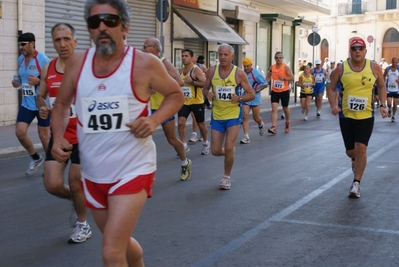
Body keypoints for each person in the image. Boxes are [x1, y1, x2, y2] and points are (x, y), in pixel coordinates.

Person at [50, 1, 184, 266]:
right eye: (94, 22)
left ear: (125, 27)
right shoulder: (78, 63)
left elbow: (175, 94)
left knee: (111, 251)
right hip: (93, 173)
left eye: (109, 21)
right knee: (120, 243)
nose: (102, 27)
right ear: (88, 30)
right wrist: (57, 137)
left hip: (132, 169)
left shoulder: (144, 64)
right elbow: (62, 104)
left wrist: (154, 120)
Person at [36, 23, 91, 243]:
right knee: (52, 184)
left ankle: (83, 225)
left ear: (75, 41)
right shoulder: (48, 68)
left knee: (76, 181)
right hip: (59, 136)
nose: (63, 44)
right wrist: (42, 105)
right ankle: (77, 200)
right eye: (58, 40)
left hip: (84, 136)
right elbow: (41, 95)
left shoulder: (87, 67)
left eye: (67, 39)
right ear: (53, 43)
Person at [327, 37, 388, 198]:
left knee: (362, 148)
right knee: (350, 151)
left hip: (366, 115)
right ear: (350, 51)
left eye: (360, 48)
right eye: (354, 49)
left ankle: (356, 184)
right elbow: (331, 88)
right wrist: (333, 105)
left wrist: (383, 104)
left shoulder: (374, 67)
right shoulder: (341, 68)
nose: (357, 51)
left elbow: (382, 86)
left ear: (365, 51)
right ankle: (354, 160)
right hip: (346, 115)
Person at [203, 43, 254, 190]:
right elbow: (204, 89)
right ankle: (229, 153)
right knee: (216, 151)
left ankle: (226, 178)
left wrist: (239, 98)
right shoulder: (212, 71)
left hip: (233, 115)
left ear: (232, 56)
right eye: (220, 54)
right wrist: (208, 94)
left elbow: (250, 94)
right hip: (217, 115)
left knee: (229, 145)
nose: (223, 57)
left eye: (226, 55)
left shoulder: (238, 73)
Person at [142, 37, 192, 180]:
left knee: (171, 139)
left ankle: (184, 162)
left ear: (155, 49)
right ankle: (146, 171)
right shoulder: (142, 62)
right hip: (147, 107)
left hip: (163, 107)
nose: (143, 49)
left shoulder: (164, 63)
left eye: (145, 46)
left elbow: (180, 82)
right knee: (142, 139)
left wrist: (158, 86)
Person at [11, 32, 50, 175]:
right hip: (27, 103)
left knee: (43, 135)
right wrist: (18, 83)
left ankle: (50, 164)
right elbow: (23, 79)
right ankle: (36, 158)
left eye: (23, 44)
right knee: (20, 132)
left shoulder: (42, 59)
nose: (21, 47)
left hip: (41, 103)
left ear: (32, 43)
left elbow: (51, 79)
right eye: (19, 44)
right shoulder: (20, 59)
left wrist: (39, 81)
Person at [178, 49, 210, 155]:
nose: (184, 58)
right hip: (184, 102)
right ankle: (184, 145)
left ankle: (205, 143)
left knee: (201, 124)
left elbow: (204, 83)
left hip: (197, 102)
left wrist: (192, 81)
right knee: (181, 123)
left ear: (192, 57)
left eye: (186, 56)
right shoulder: (181, 70)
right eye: (182, 56)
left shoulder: (196, 70)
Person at [240, 57, 268, 144]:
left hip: (255, 98)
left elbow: (265, 84)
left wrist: (256, 90)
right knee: (245, 116)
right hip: (245, 97)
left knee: (256, 118)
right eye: (244, 66)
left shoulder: (256, 73)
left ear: (251, 65)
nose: (246, 68)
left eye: (248, 66)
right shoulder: (242, 73)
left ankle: (260, 124)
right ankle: (246, 136)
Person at [266, 51, 294, 134]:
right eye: (277, 58)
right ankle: (273, 127)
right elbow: (268, 77)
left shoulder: (285, 67)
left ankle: (287, 122)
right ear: (275, 59)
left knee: (285, 108)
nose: (278, 59)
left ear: (282, 58)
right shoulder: (272, 67)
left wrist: (284, 78)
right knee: (274, 108)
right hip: (275, 91)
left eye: (280, 58)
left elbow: (292, 77)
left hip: (284, 91)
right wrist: (264, 83)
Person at [383, 56, 399, 122]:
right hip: (388, 89)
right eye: (393, 62)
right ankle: (389, 109)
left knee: (395, 104)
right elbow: (384, 75)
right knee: (389, 103)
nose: (395, 64)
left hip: (397, 90)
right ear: (391, 62)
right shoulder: (388, 69)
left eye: (396, 62)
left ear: (398, 62)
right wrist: (383, 83)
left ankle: (393, 116)